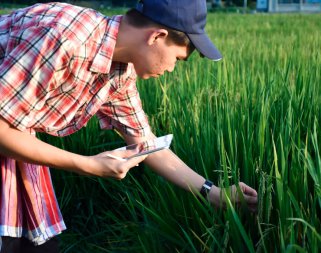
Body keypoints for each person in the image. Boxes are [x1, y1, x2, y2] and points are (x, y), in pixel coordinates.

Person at [0, 0, 258, 252]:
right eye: (177, 59)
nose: (171, 69)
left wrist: (215, 194)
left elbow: (146, 144)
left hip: (16, 142)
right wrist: (89, 165)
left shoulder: (120, 73)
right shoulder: (65, 38)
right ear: (157, 36)